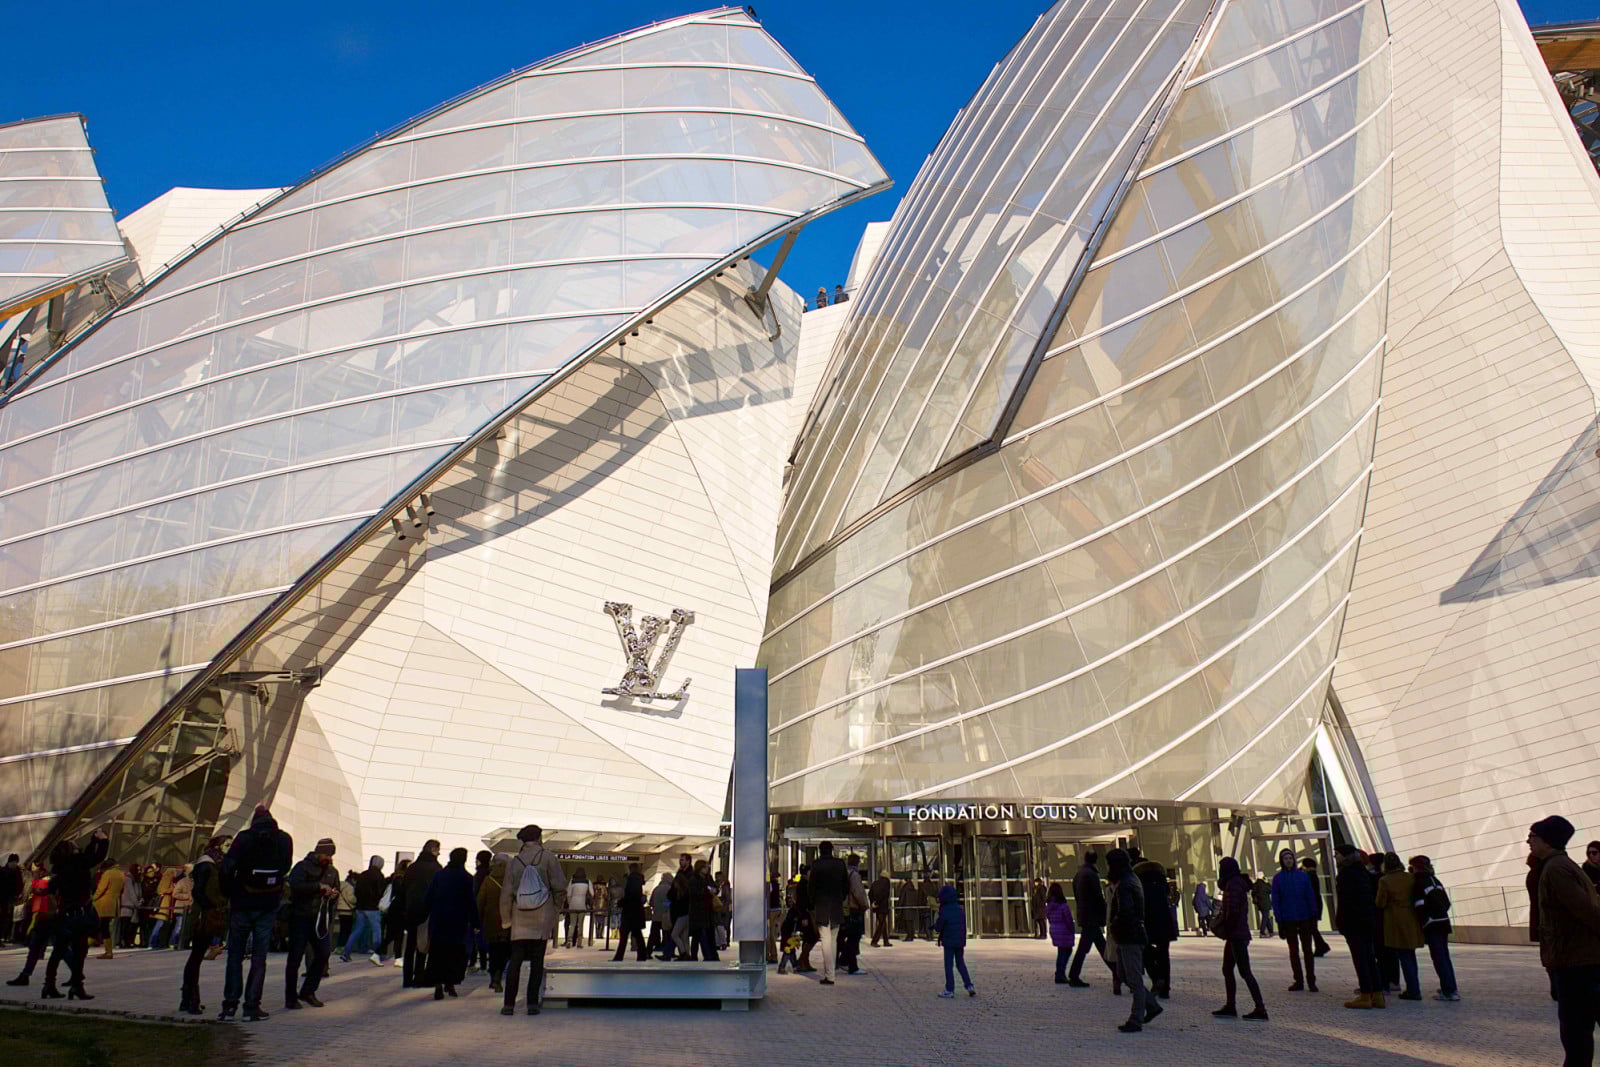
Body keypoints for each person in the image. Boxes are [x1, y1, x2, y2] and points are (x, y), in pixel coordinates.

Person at [1528, 815, 1600, 1066]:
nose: (1528, 841)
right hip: (1578, 959)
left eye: (1533, 836)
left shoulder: (1556, 869)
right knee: (1578, 1031)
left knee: (1575, 1032)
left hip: (1575, 963)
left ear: (1547, 840)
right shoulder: (1561, 865)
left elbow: (1585, 910)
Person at [220, 804, 292, 1021]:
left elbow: (227, 868)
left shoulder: (244, 838)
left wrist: (229, 893)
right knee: (259, 958)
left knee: (235, 956)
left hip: (242, 902)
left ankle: (229, 1006)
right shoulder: (284, 839)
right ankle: (251, 1007)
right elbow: (285, 867)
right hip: (268, 904)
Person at [500, 824, 567, 1016]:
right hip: (541, 916)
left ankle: (508, 1004)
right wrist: (555, 909)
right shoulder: (548, 857)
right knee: (537, 961)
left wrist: (506, 919)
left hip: (519, 917)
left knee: (515, 961)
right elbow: (560, 886)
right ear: (539, 838)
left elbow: (506, 893)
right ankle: (532, 1003)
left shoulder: (514, 861)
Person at [41, 830, 110, 1001]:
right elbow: (97, 857)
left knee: (58, 951)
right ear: (71, 851)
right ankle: (77, 986)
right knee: (79, 952)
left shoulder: (60, 867)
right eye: (74, 845)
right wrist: (103, 841)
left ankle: (49, 985)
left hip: (63, 914)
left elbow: (87, 855)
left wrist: (93, 841)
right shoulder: (78, 863)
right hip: (78, 914)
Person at [1212, 856, 1268, 1021]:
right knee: (1228, 969)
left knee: (1244, 971)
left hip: (1236, 934)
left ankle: (1260, 1007)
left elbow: (1233, 910)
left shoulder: (1233, 885)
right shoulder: (1236, 884)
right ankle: (1231, 1005)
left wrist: (1226, 927)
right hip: (1237, 933)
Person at [284, 838, 337, 1010]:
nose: (329, 858)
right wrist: (317, 887)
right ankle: (291, 997)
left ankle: (308, 990)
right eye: (327, 855)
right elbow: (295, 885)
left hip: (320, 919)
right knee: (295, 958)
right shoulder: (302, 867)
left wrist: (332, 895)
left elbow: (334, 890)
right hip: (301, 916)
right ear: (319, 853)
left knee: (323, 953)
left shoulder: (332, 871)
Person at [1107, 848, 1155, 1032]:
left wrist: (1115, 924)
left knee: (1133, 977)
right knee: (1124, 974)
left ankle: (1136, 1018)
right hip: (1127, 934)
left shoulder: (1126, 883)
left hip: (1129, 935)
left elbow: (1125, 912)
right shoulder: (1129, 879)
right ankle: (1151, 1005)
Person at [179, 836, 227, 1015]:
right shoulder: (206, 865)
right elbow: (198, 891)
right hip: (204, 916)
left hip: (206, 914)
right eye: (227, 845)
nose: (229, 848)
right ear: (218, 846)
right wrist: (211, 906)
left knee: (196, 957)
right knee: (196, 956)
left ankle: (187, 998)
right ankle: (191, 999)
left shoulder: (212, 864)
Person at [1335, 842, 1384, 1009]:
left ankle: (1365, 994)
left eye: (1337, 854)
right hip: (1367, 920)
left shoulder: (1345, 875)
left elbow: (1345, 902)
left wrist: (1340, 922)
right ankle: (1377, 994)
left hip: (1353, 922)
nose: (1335, 857)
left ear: (1345, 856)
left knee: (1360, 958)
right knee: (1370, 957)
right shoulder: (1364, 873)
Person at [424, 847, 478, 1000]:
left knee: (437, 954)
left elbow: (428, 897)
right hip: (458, 922)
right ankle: (451, 982)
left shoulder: (439, 875)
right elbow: (471, 902)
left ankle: (437, 984)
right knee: (455, 955)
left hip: (439, 921)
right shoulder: (466, 878)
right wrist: (475, 922)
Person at [1374, 853, 1424, 1000]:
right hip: (1411, 918)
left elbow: (1380, 903)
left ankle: (1413, 990)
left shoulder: (1385, 880)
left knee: (1403, 955)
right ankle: (1414, 987)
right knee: (1410, 954)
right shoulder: (1410, 877)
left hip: (1395, 919)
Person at [1409, 855, 1458, 1001]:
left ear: (1415, 867)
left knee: (1438, 958)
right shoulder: (1435, 880)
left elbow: (1419, 905)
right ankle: (1450, 986)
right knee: (1445, 956)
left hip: (1432, 924)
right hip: (1444, 922)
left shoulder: (1418, 882)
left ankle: (1448, 991)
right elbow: (1447, 903)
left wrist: (1424, 920)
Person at [1271, 848, 1319, 992]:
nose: (1288, 861)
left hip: (1304, 917)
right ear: (1282, 861)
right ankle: (1298, 980)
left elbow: (1310, 895)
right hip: (1288, 919)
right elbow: (1276, 900)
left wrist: (1313, 914)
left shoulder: (1303, 876)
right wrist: (1279, 920)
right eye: (1285, 859)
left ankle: (1311, 980)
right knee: (1293, 950)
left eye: (1290, 858)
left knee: (1307, 950)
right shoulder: (1278, 878)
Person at [1132, 849, 1177, 999]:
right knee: (1164, 954)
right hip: (1164, 920)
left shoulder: (1138, 881)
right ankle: (1165, 988)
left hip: (1148, 920)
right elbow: (1167, 894)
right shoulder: (1160, 878)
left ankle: (1157, 978)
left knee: (1145, 950)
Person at [6, 863, 56, 987]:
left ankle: (75, 978)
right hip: (47, 915)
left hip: (45, 915)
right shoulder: (52, 879)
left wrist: (35, 892)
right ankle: (28, 975)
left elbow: (40, 895)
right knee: (56, 948)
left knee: (47, 947)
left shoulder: (47, 880)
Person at [1067, 851, 1110, 988]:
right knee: (1088, 947)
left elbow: (1078, 896)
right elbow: (1098, 897)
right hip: (1092, 917)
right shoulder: (1091, 875)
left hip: (1086, 915)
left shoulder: (1079, 874)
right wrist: (1104, 914)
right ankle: (1074, 975)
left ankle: (1118, 973)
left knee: (1100, 946)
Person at [809, 842, 848, 986]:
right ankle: (831, 973)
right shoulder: (840, 864)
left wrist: (813, 903)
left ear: (820, 851)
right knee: (833, 940)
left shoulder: (816, 865)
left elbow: (811, 887)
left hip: (822, 907)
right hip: (836, 907)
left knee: (825, 940)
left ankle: (829, 974)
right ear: (831, 850)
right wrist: (841, 899)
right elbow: (846, 886)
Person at [402, 840, 441, 987]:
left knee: (410, 945)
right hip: (427, 910)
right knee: (422, 944)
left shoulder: (412, 867)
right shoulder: (436, 868)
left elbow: (404, 888)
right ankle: (419, 976)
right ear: (433, 850)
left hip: (411, 909)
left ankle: (407, 978)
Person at [932, 884, 975, 999]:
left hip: (949, 941)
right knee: (960, 963)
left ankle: (949, 989)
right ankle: (969, 985)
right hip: (959, 940)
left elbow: (939, 926)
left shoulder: (944, 910)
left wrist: (935, 926)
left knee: (948, 965)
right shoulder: (959, 909)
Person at [344, 856, 387, 964]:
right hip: (373, 907)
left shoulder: (363, 875)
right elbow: (380, 892)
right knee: (377, 931)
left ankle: (346, 952)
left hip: (360, 906)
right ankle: (378, 953)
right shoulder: (379, 876)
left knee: (357, 930)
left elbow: (357, 890)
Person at [479, 853, 511, 991]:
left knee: (493, 950)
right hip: (508, 920)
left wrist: (478, 920)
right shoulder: (512, 880)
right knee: (505, 950)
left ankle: (494, 976)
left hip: (491, 921)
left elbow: (480, 901)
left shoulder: (488, 880)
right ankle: (499, 973)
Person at [612, 862, 648, 962]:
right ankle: (642, 955)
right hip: (636, 912)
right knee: (637, 934)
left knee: (625, 935)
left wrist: (622, 902)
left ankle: (619, 956)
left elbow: (630, 896)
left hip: (630, 912)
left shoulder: (632, 880)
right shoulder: (638, 880)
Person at [838, 853, 868, 974]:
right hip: (854, 909)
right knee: (854, 938)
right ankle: (850, 964)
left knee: (846, 936)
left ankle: (843, 960)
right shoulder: (854, 875)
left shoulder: (844, 874)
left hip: (844, 909)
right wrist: (864, 905)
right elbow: (858, 892)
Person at [1299, 857, 1334, 956]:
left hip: (1311, 905)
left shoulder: (1309, 876)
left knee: (1312, 928)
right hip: (1315, 904)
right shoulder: (1313, 875)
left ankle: (1321, 946)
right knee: (1313, 928)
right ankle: (1321, 946)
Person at [92, 860, 124, 959]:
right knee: (105, 926)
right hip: (114, 903)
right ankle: (108, 951)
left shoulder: (107, 873)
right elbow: (122, 890)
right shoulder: (121, 874)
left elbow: (101, 888)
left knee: (98, 926)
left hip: (104, 902)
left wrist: (93, 898)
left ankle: (107, 951)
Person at [1045, 882, 1075, 983]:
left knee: (1062, 951)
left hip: (1054, 929)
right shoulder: (1063, 906)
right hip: (1064, 930)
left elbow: (1048, 917)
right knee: (1065, 951)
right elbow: (1068, 919)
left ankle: (1060, 972)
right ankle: (1060, 973)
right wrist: (1072, 929)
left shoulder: (1049, 906)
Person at [666, 854, 694, 961]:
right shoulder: (685, 875)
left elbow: (672, 893)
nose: (680, 862)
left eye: (682, 860)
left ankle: (683, 953)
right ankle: (687, 954)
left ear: (688, 861)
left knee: (675, 934)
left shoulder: (684, 877)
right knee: (684, 935)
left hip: (681, 910)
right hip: (684, 910)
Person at [647, 872, 673, 959]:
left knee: (653, 935)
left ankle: (648, 952)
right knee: (667, 935)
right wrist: (665, 907)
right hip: (666, 916)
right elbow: (671, 902)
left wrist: (657, 907)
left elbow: (651, 902)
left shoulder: (656, 889)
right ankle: (668, 952)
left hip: (656, 916)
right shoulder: (670, 889)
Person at [564, 867, 590, 949]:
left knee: (572, 924)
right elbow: (592, 893)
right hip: (582, 904)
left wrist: (569, 903)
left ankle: (569, 940)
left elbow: (568, 894)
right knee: (580, 924)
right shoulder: (587, 882)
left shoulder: (572, 881)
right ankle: (579, 942)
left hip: (573, 904)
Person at [169, 867, 193, 952]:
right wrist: (187, 896)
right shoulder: (182, 881)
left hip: (190, 909)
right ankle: (174, 943)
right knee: (179, 927)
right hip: (181, 908)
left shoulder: (196, 881)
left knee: (188, 928)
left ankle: (185, 943)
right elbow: (175, 894)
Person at [0, 854, 21, 945]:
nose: (15, 864)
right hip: (2, 897)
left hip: (11, 898)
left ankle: (4, 936)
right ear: (9, 862)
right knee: (2, 917)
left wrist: (17, 894)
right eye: (13, 862)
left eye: (16, 862)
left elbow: (19, 884)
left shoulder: (17, 872)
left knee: (7, 918)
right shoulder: (3, 871)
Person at [869, 869, 894, 947]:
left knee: (883, 923)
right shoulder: (886, 883)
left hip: (876, 906)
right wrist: (877, 902)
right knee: (881, 924)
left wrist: (873, 902)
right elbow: (883, 894)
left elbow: (870, 893)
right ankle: (874, 941)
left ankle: (886, 941)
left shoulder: (875, 883)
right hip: (882, 906)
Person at [1250, 872, 1275, 936]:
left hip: (1259, 903)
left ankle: (1271, 931)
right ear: (1263, 877)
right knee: (1265, 917)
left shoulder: (1255, 884)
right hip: (1265, 902)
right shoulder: (1264, 884)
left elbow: (1253, 893)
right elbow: (1270, 890)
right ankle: (1262, 932)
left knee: (1266, 916)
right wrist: (1267, 882)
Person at [897, 875, 920, 942]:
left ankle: (909, 936)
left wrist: (899, 906)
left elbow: (902, 897)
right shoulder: (912, 887)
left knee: (907, 922)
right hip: (912, 907)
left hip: (906, 907)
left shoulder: (905, 888)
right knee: (911, 922)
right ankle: (911, 935)